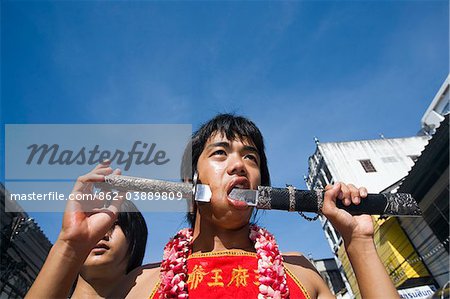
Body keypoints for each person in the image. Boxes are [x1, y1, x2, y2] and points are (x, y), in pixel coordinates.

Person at [27, 114, 400, 299]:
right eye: (220, 154)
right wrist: (69, 246)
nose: (238, 165)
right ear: (192, 185)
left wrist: (360, 242)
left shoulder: (302, 274)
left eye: (250, 158)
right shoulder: (142, 284)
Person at [26, 166, 148, 299]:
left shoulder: (165, 285)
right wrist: (71, 244)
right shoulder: (71, 245)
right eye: (91, 221)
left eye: (115, 224)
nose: (101, 234)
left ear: (137, 240)